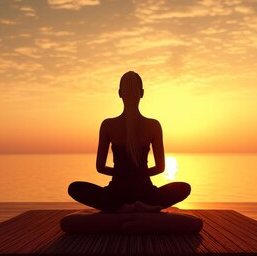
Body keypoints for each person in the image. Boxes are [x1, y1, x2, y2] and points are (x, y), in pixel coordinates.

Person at [68, 71, 191, 213]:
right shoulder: (154, 125)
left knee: (75, 188)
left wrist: (123, 175)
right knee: (183, 188)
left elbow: (100, 168)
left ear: (119, 93)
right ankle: (144, 207)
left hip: (116, 195)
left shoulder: (108, 125)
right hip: (146, 195)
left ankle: (120, 208)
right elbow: (160, 168)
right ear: (142, 93)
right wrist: (139, 175)